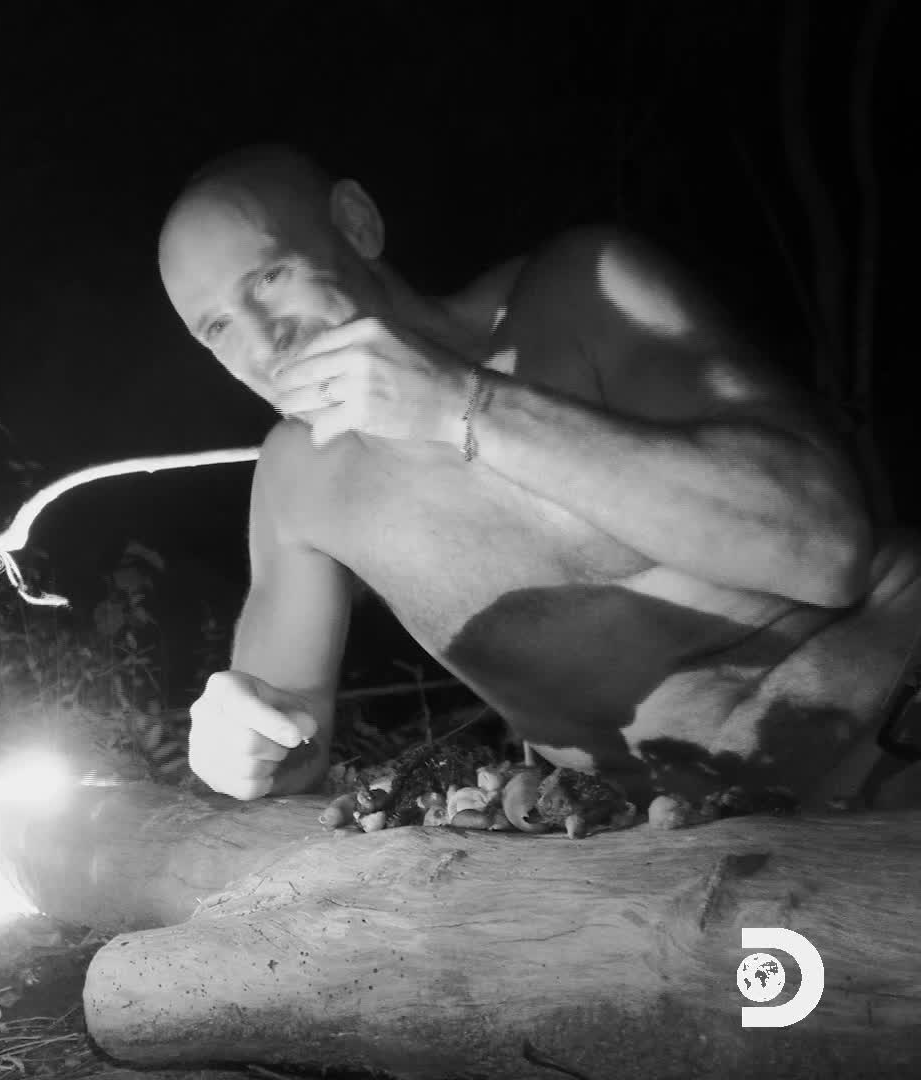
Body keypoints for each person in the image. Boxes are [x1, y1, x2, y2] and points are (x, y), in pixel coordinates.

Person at [158, 144, 921, 811]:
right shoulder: (296, 483)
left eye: (270, 278)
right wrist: (241, 747)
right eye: (217, 327)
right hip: (695, 847)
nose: (264, 342)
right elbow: (287, 739)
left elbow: (827, 551)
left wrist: (464, 406)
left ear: (357, 225)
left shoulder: (583, 293)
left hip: (895, 720)